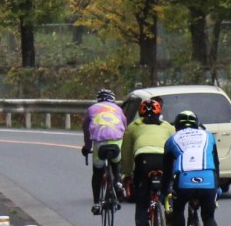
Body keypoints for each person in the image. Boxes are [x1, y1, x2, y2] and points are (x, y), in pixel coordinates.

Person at [121, 97, 176, 226]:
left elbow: (126, 153)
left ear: (140, 113)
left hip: (143, 160)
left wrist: (127, 174)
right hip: (164, 159)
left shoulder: (133, 127)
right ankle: (169, 202)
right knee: (168, 187)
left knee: (142, 199)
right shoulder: (168, 126)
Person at [163, 110, 219, 226]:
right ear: (197, 124)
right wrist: (217, 187)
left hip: (184, 179)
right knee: (208, 217)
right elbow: (216, 164)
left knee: (178, 211)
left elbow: (167, 169)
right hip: (208, 178)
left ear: (177, 125)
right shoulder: (209, 136)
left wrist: (165, 191)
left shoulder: (172, 139)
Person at [81, 88, 127, 215]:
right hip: (116, 141)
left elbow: (86, 130)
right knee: (116, 163)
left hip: (100, 142)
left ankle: (96, 204)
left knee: (97, 173)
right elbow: (124, 127)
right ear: (113, 100)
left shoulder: (92, 109)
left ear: (98, 100)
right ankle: (117, 181)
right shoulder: (118, 109)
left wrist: (87, 147)